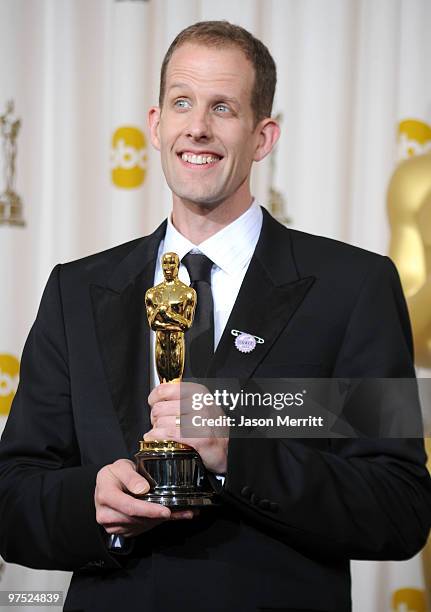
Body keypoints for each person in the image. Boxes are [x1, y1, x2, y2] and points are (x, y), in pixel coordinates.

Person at [0, 20, 430, 612]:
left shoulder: (352, 288)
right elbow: (13, 497)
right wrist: (90, 504)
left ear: (263, 136)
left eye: (223, 107)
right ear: (156, 125)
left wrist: (237, 452)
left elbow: (400, 508)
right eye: (182, 102)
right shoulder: (77, 290)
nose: (197, 127)